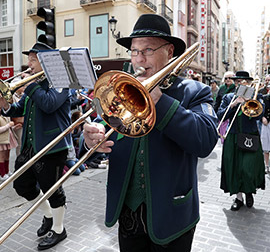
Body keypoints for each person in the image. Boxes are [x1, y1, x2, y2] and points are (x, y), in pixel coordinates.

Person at [81, 14, 218, 251]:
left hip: (172, 216)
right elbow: (104, 133)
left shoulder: (195, 91)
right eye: (134, 51)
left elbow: (205, 141)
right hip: (127, 213)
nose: (139, 59)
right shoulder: (121, 88)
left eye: (148, 50)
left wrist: (160, 101)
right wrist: (91, 140)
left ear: (170, 51)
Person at [0, 42, 72, 250]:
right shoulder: (34, 85)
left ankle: (59, 229)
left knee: (53, 190)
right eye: (29, 59)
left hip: (52, 147)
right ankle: (49, 216)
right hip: (30, 147)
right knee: (22, 185)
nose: (29, 64)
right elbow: (17, 108)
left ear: (46, 61)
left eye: (33, 60)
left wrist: (30, 86)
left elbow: (49, 104)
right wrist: (4, 105)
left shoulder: (60, 81)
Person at [217, 71, 265, 211]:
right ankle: (238, 197)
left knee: (248, 167)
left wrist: (253, 102)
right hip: (233, 136)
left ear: (250, 84)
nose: (241, 84)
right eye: (239, 82)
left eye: (245, 82)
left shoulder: (257, 97)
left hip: (250, 135)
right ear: (235, 83)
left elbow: (259, 115)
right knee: (234, 167)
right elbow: (220, 115)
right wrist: (233, 104)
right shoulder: (228, 97)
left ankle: (249, 191)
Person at [0, 115, 19, 180]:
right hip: (1, 140)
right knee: (1, 157)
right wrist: (8, 125)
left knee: (7, 156)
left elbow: (9, 127)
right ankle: (2, 174)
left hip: (8, 138)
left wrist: (14, 127)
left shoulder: (5, 115)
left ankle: (7, 171)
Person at [261, 85, 270, 173]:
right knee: (266, 145)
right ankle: (266, 165)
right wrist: (262, 118)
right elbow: (260, 110)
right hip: (266, 123)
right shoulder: (265, 98)